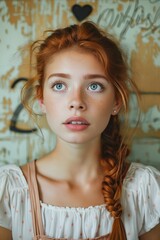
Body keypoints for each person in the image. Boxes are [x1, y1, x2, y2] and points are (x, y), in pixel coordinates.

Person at [0, 21, 160, 240]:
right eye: (59, 85)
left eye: (94, 86)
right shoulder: (9, 192)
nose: (76, 102)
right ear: (41, 99)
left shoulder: (145, 190)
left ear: (116, 101)